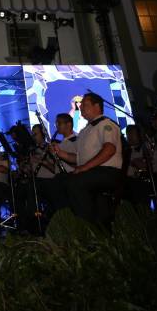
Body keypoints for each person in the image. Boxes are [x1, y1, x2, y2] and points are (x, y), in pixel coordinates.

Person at [52, 93, 123, 224]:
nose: (81, 107)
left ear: (97, 106)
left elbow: (109, 149)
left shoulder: (106, 124)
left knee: (74, 183)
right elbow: (78, 158)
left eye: (85, 104)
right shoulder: (85, 131)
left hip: (106, 171)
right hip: (91, 171)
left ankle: (87, 225)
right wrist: (60, 153)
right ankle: (70, 223)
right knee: (60, 183)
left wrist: (84, 168)